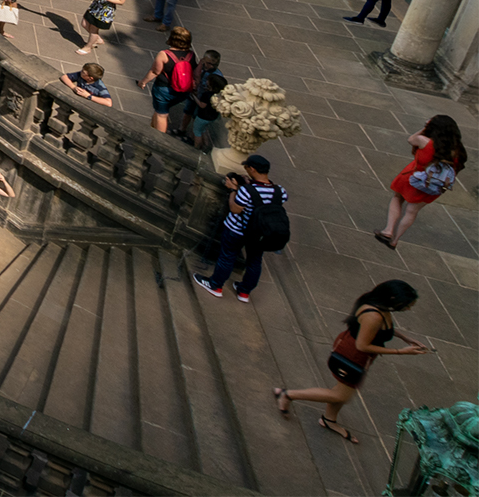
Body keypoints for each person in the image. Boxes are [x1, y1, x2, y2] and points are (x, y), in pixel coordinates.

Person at [276, 280, 431, 445]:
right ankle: (287, 395)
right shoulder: (374, 316)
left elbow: (383, 328)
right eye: (407, 305)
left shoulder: (379, 305)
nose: (408, 308)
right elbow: (363, 345)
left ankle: (329, 420)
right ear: (392, 298)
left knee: (342, 391)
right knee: (341, 395)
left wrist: (406, 339)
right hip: (351, 357)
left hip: (356, 356)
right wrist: (401, 352)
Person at [195, 155, 288, 301]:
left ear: (252, 169)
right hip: (260, 234)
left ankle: (216, 286)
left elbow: (235, 209)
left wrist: (233, 190)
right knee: (254, 262)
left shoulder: (246, 191)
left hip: (237, 230)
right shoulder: (280, 191)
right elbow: (267, 202)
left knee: (227, 257)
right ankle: (244, 292)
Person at [378, 115, 466, 249]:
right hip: (434, 186)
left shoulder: (424, 141)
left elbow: (411, 139)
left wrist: (425, 127)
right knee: (412, 212)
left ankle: (388, 230)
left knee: (397, 198)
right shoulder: (458, 151)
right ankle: (395, 240)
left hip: (413, 178)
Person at [140, 26, 197, 132]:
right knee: (158, 111)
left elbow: (154, 72)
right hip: (183, 92)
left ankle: (159, 141)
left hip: (164, 90)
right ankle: (152, 129)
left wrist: (143, 82)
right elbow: (195, 72)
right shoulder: (191, 55)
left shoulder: (164, 54)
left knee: (162, 115)